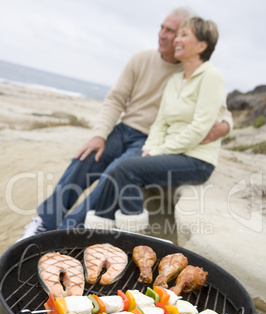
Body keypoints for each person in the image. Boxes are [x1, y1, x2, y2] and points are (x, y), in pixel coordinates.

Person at [19, 7, 232, 240]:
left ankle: (67, 232)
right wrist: (100, 135)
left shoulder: (192, 68)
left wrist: (225, 126)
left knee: (114, 173)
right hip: (124, 130)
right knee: (86, 157)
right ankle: (44, 222)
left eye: (173, 32)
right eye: (162, 28)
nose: (163, 35)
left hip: (147, 140)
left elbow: (218, 109)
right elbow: (116, 98)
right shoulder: (143, 61)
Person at [85, 16, 227, 232]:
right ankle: (98, 233)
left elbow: (200, 128)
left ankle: (132, 236)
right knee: (120, 170)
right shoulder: (174, 81)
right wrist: (149, 149)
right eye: (177, 35)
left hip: (197, 160)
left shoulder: (211, 75)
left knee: (124, 170)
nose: (177, 40)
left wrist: (159, 151)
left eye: (184, 35)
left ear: (201, 45)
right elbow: (159, 123)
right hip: (171, 154)